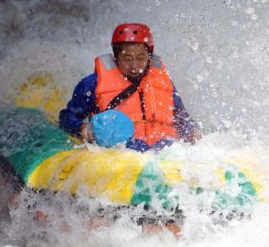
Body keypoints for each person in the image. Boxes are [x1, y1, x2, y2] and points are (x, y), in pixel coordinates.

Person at [59, 23, 201, 151]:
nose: (134, 66)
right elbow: (67, 117)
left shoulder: (164, 83)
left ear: (149, 57)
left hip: (163, 150)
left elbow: (182, 118)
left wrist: (192, 130)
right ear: (116, 57)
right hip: (122, 151)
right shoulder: (93, 84)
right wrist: (82, 128)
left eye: (141, 58)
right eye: (127, 59)